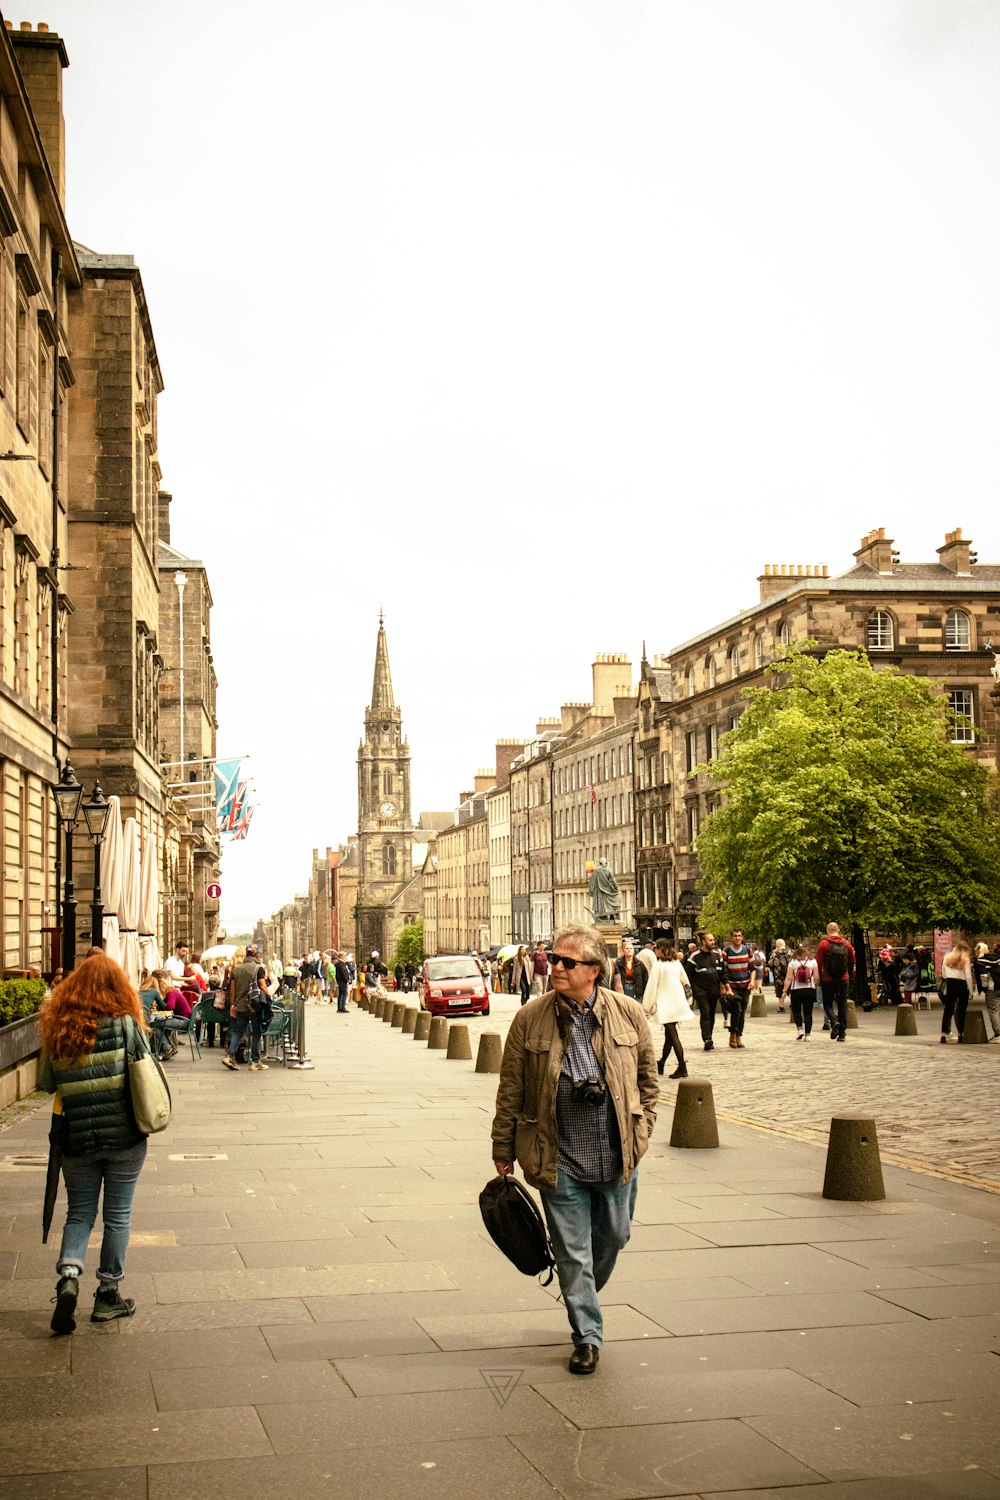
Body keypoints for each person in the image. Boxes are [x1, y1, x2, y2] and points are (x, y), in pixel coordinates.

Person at [491, 925, 658, 1375]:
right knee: (572, 1251)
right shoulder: (529, 1018)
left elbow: (649, 1082)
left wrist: (642, 1134)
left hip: (617, 1152)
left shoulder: (628, 1014)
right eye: (554, 959)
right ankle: (586, 1334)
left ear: (594, 970)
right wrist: (502, 1146)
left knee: (614, 1237)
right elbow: (511, 1088)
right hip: (556, 1155)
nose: (555, 967)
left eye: (567, 962)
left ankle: (579, 1290)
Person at [39, 952, 150, 1333]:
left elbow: (47, 1085)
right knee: (117, 1217)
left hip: (77, 1139)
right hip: (125, 1135)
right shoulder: (125, 1025)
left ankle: (69, 1275)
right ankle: (107, 1296)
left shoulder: (59, 1029)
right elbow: (146, 1070)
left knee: (80, 1213)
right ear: (118, 986)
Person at [643, 940, 692, 1077]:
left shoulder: (658, 966)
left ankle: (682, 1066)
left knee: (673, 1035)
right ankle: (662, 1062)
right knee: (669, 1036)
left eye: (656, 948)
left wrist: (646, 1007)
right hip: (677, 1003)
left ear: (661, 949)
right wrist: (688, 999)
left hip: (666, 1005)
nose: (655, 951)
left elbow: (652, 986)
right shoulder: (676, 963)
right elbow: (685, 980)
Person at [224, 944, 271, 1072]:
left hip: (240, 1006)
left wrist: (233, 1005)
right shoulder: (258, 968)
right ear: (256, 955)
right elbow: (263, 986)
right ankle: (255, 1062)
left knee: (238, 1032)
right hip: (254, 1006)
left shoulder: (237, 969)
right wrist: (268, 998)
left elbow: (232, 990)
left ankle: (230, 1056)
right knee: (256, 1032)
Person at [684, 932, 727, 1051]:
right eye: (710, 940)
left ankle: (710, 1036)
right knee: (705, 1014)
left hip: (714, 991)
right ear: (703, 942)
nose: (713, 942)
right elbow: (688, 975)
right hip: (701, 991)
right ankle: (707, 1038)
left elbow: (722, 973)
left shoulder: (717, 956)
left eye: (713, 940)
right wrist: (692, 991)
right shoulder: (695, 957)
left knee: (711, 1015)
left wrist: (725, 986)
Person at [816, 922, 856, 1042]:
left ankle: (833, 1021)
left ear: (828, 931)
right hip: (843, 978)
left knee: (827, 1003)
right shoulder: (846, 944)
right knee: (842, 1004)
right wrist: (848, 974)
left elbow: (818, 962)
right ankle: (842, 1034)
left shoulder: (824, 944)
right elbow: (852, 961)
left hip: (828, 979)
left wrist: (819, 977)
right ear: (838, 930)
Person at [940, 940, 977, 1044]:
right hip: (962, 984)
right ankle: (961, 1034)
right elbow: (968, 976)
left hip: (950, 984)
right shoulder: (965, 959)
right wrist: (971, 991)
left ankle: (943, 1034)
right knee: (961, 1010)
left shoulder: (947, 957)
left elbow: (943, 974)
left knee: (948, 1010)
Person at [721, 929, 753, 1049]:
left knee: (742, 1013)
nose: (737, 938)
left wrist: (752, 981)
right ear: (732, 938)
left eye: (739, 936)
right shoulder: (727, 952)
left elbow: (752, 967)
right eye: (735, 936)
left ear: (742, 937)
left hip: (745, 985)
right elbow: (723, 971)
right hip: (733, 986)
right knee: (736, 1010)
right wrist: (725, 987)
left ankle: (739, 1035)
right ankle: (732, 1034)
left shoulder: (747, 950)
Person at [150, 971, 192, 1059]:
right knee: (163, 1025)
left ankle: (167, 1047)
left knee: (156, 1024)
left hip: (183, 1021)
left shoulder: (172, 993)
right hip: (185, 1019)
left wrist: (161, 1004)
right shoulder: (174, 992)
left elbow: (170, 1006)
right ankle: (169, 1048)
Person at [783, 943, 819, 1039]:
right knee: (808, 1013)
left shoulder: (793, 962)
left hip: (796, 989)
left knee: (796, 1010)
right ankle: (808, 1035)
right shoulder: (813, 962)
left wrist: (784, 990)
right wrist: (815, 985)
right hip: (809, 989)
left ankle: (800, 1029)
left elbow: (788, 978)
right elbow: (816, 977)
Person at [974, 942, 1000, 1041]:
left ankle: (998, 1034)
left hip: (992, 988)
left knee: (994, 1011)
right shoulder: (996, 957)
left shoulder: (980, 962)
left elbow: (983, 977)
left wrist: (983, 989)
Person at [769, 939, 790, 1017]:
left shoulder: (774, 954)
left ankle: (781, 1007)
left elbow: (770, 963)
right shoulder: (791, 952)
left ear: (777, 945)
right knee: (790, 990)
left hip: (779, 976)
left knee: (779, 991)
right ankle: (793, 1004)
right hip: (789, 975)